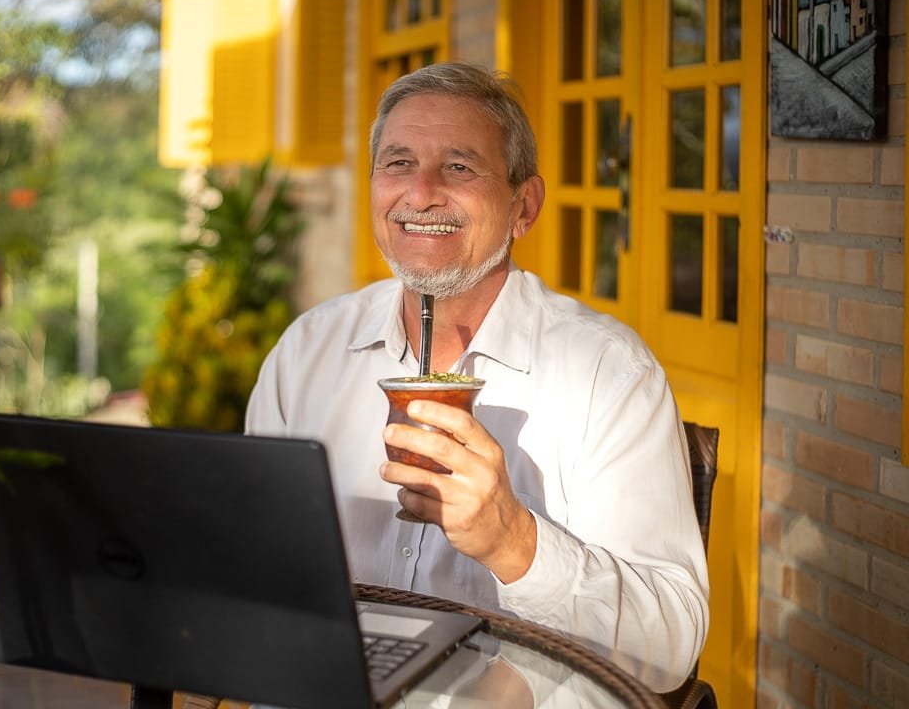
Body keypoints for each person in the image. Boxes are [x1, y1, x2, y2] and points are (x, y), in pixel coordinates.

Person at [245, 62, 707, 692]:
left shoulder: (608, 373)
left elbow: (670, 650)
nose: (421, 193)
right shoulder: (308, 351)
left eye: (460, 167)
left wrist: (513, 543)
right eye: (399, 163)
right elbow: (255, 565)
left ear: (524, 206)